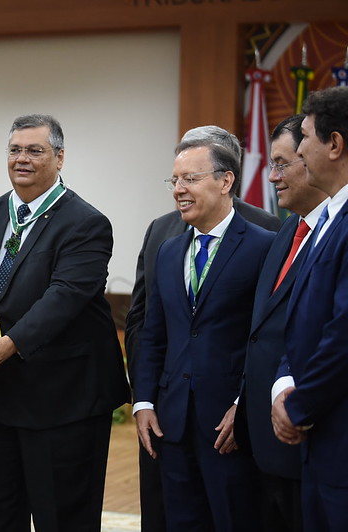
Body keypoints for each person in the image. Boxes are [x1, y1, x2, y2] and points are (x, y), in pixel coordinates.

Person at [0, 114, 131, 532]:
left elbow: (65, 296)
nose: (22, 159)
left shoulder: (85, 222)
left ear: (59, 157)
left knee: (62, 517)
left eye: (34, 150)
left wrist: (10, 343)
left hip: (63, 398)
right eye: (15, 150)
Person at [124, 125, 281, 532]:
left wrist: (243, 404)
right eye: (174, 180)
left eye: (190, 179)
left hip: (229, 425)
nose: (179, 189)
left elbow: (267, 337)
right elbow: (152, 330)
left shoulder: (265, 245)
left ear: (225, 180)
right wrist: (143, 402)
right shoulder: (168, 248)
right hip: (171, 423)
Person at [232, 115, 327, 532]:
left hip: (306, 434)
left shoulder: (331, 234)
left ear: (314, 157)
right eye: (270, 164)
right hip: (261, 439)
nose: (272, 177)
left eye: (283, 163)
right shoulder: (285, 232)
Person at [271, 86, 348, 531]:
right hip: (320, 443)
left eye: (304, 137)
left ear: (334, 145)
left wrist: (299, 407)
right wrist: (283, 387)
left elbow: (342, 334)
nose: (298, 150)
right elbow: (301, 323)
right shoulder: (324, 221)